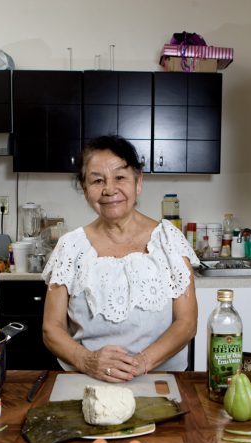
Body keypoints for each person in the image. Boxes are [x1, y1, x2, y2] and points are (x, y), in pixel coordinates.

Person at [42, 135, 199, 382]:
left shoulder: (169, 240)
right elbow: (52, 329)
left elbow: (187, 322)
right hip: (87, 380)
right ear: (85, 191)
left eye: (120, 177)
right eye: (97, 180)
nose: (109, 189)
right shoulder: (70, 247)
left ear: (138, 182)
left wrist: (139, 364)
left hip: (160, 379)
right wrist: (88, 361)